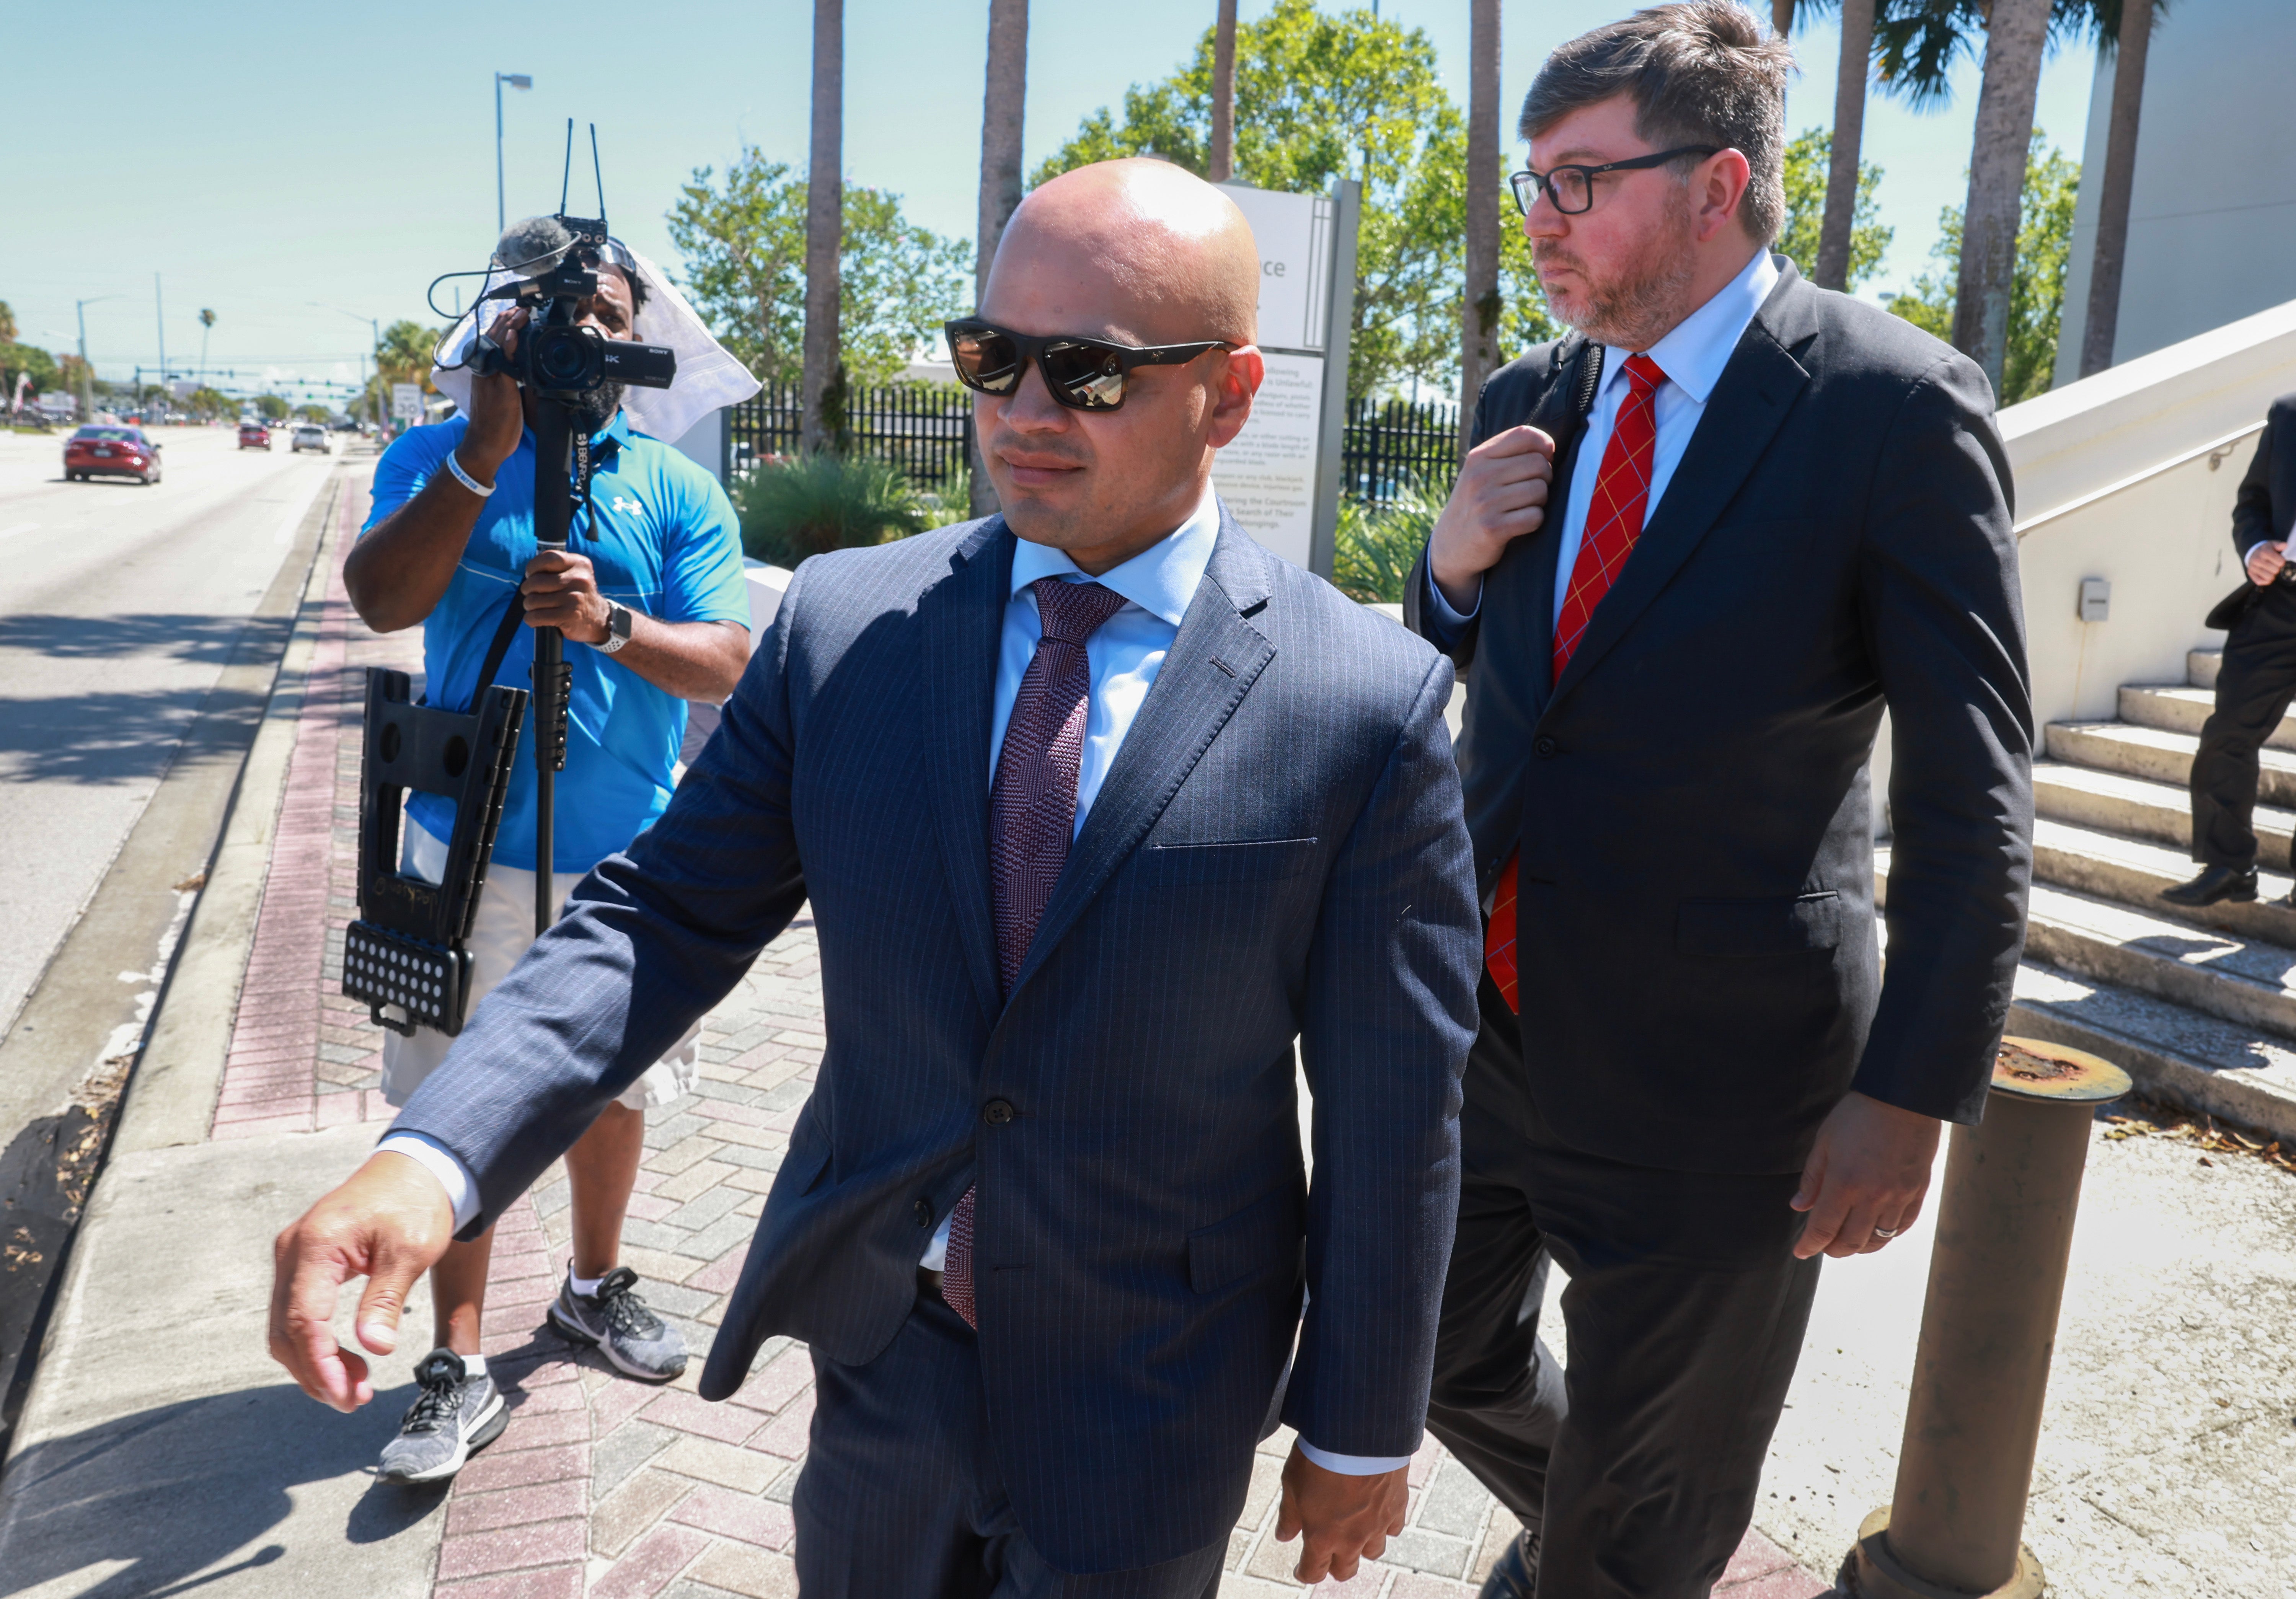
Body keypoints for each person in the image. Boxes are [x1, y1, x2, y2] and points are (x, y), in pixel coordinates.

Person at [272, 156, 1484, 1594]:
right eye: (996, 358)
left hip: (1154, 1391)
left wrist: (1359, 1425)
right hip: (884, 1359)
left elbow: (1393, 1104)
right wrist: (437, 1155)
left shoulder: (1365, 699)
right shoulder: (848, 626)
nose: (1025, 413)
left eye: (1089, 373)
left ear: (1228, 393)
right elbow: (663, 911)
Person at [1398, 7, 2035, 1595]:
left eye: (1580, 183)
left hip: (1723, 1085)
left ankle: (1622, 1548)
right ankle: (1600, 1523)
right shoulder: (1525, 397)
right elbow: (1478, 705)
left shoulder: (1893, 407)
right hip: (1490, 1033)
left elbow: (1976, 797)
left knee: (1653, 1504)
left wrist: (1913, 1091)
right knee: (1424, 1361)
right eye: (1532, 182)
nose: (1538, 221)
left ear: (1717, 180)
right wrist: (1443, 575)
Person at [336, 240, 756, 1483]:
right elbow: (377, 598)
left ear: (635, 340)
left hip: (627, 861)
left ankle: (588, 1285)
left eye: (603, 316)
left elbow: (731, 661)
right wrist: (481, 448)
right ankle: (458, 1360)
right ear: (506, 331)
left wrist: (608, 624)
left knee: (612, 1088)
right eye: (552, 314)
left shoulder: (678, 489)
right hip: (458, 856)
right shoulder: (436, 459)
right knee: (451, 1097)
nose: (579, 336)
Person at [2165, 392, 2296, 907]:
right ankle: (2230, 865)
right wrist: (2255, 547)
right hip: (2279, 599)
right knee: (2228, 732)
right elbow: (2253, 503)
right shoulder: (2289, 415)